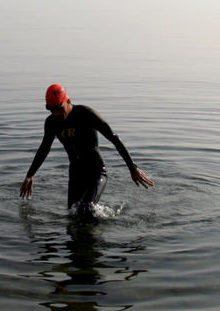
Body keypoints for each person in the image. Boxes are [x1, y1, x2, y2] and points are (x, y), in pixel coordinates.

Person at [19, 84, 154, 217]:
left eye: (58, 108)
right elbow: (44, 149)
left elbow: (113, 138)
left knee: (85, 209)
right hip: (76, 173)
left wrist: (132, 167)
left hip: (96, 172)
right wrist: (30, 175)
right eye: (51, 109)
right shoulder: (51, 123)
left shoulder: (85, 114)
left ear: (68, 101)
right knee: (72, 215)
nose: (56, 113)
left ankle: (95, 236)